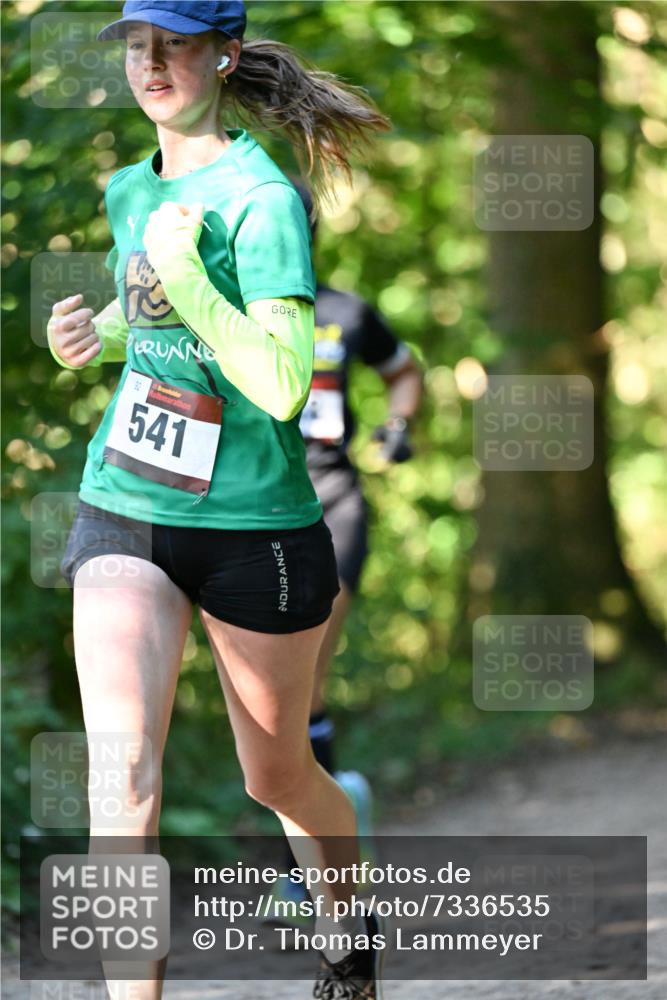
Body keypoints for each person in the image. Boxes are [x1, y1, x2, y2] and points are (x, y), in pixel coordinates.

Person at [45, 3, 391, 998]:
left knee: (277, 778)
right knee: (122, 780)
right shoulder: (128, 189)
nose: (150, 62)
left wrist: (191, 276)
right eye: (136, 44)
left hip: (254, 527)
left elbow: (282, 381)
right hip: (126, 502)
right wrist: (98, 335)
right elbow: (152, 317)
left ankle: (346, 930)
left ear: (224, 52)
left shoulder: (261, 198)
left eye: (176, 42)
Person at [274, 182, 423, 911]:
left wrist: (399, 427)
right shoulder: (225, 310)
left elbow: (401, 369)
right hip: (253, 511)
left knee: (303, 680)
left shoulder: (344, 311)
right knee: (269, 694)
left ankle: (310, 869)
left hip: (332, 504)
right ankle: (338, 808)